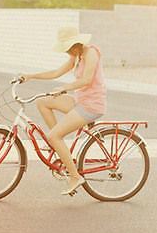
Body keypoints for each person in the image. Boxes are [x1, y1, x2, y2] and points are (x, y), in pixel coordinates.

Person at [20, 27, 107, 195]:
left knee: (53, 136)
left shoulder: (91, 53)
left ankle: (75, 177)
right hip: (79, 101)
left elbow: (87, 79)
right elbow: (55, 73)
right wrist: (30, 76)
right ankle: (59, 147)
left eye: (68, 48)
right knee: (43, 102)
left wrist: (65, 88)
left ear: (77, 43)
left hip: (91, 105)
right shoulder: (77, 56)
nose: (67, 52)